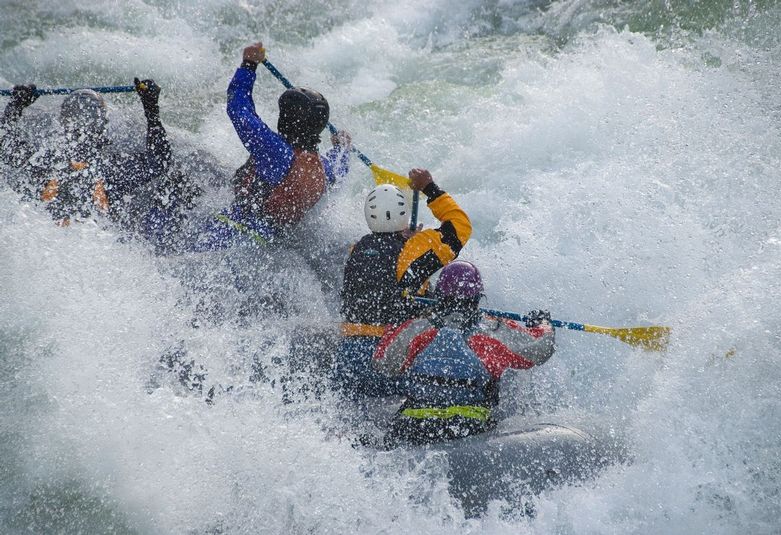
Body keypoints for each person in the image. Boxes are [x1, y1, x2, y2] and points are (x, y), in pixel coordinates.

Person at [371, 260, 555, 447]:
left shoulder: (418, 327)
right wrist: (543, 324)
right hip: (468, 426)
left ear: (439, 295)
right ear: (477, 297)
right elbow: (540, 349)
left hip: (413, 423)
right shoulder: (492, 330)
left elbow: (383, 362)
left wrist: (395, 325)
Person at [198, 41, 351, 249]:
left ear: (286, 119)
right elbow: (340, 164)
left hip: (234, 235)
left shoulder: (275, 152)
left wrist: (248, 65)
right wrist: (343, 146)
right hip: (273, 243)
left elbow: (239, 110)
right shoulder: (323, 168)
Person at [335, 168, 472, 398]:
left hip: (349, 355)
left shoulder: (356, 249)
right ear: (402, 214)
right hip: (390, 353)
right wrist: (430, 188)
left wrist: (406, 238)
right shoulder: (414, 248)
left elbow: (385, 260)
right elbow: (460, 227)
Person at [0, 80, 177, 231]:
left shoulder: (43, 161)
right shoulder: (112, 169)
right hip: (95, 250)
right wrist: (151, 109)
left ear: (63, 124)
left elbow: (4, 144)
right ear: (102, 128)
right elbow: (160, 161)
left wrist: (15, 106)